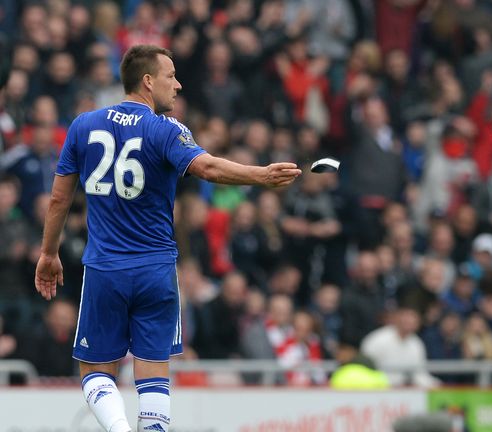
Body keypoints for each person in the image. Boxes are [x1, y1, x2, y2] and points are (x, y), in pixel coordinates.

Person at [34, 45, 301, 432]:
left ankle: (119, 429)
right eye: (170, 76)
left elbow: (60, 197)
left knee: (94, 371)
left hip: (105, 268)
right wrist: (261, 176)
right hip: (156, 270)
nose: (177, 85)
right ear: (147, 81)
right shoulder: (166, 129)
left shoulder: (82, 126)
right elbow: (206, 167)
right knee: (154, 372)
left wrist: (48, 252)